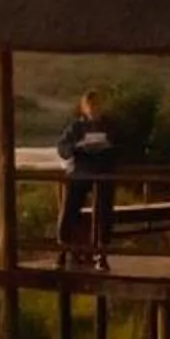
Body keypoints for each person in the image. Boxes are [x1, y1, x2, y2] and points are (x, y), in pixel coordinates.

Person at [55, 90, 116, 261]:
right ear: (84, 108)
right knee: (69, 208)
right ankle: (63, 247)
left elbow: (121, 145)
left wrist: (108, 147)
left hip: (103, 172)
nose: (94, 108)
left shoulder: (110, 125)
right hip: (81, 171)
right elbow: (62, 147)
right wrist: (77, 147)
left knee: (103, 210)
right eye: (90, 105)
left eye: (97, 104)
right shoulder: (76, 127)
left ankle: (101, 249)